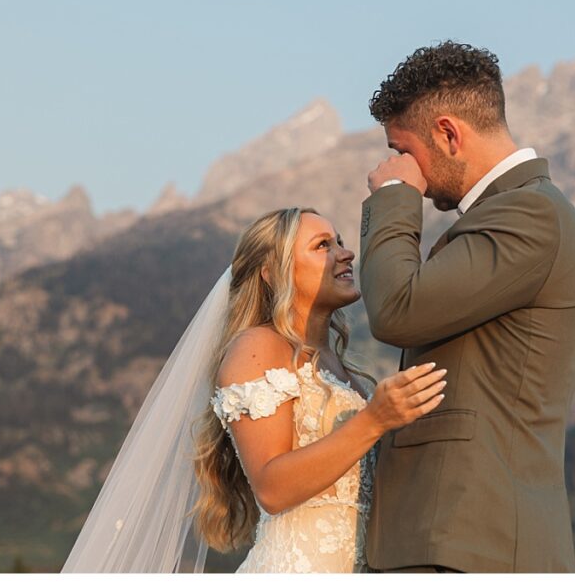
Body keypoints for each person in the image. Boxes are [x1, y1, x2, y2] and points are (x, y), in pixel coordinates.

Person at [61, 206, 446, 573]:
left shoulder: (351, 376)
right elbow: (272, 487)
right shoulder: (258, 348)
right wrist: (374, 421)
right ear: (272, 274)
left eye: (340, 241)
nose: (345, 254)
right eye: (323, 245)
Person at [359, 41, 575, 573]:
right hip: (449, 537)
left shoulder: (531, 212)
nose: (396, 166)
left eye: (402, 150)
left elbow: (397, 309)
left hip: (473, 540)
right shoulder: (507, 212)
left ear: (447, 133)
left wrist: (392, 197)